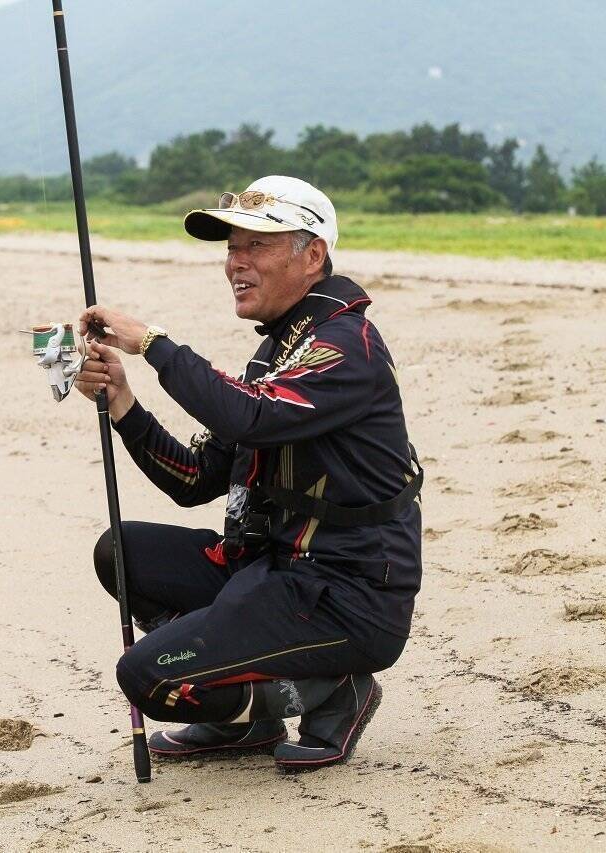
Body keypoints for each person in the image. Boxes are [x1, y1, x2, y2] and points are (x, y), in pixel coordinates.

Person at [75, 176, 421, 773]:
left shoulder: (345, 345)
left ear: (312, 255)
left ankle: (335, 690)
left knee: (146, 678)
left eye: (256, 246)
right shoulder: (278, 351)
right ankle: (248, 717)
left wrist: (153, 345)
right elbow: (192, 481)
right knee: (123, 553)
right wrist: (123, 401)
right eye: (232, 247)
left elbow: (249, 414)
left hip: (347, 598)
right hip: (271, 573)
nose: (236, 262)